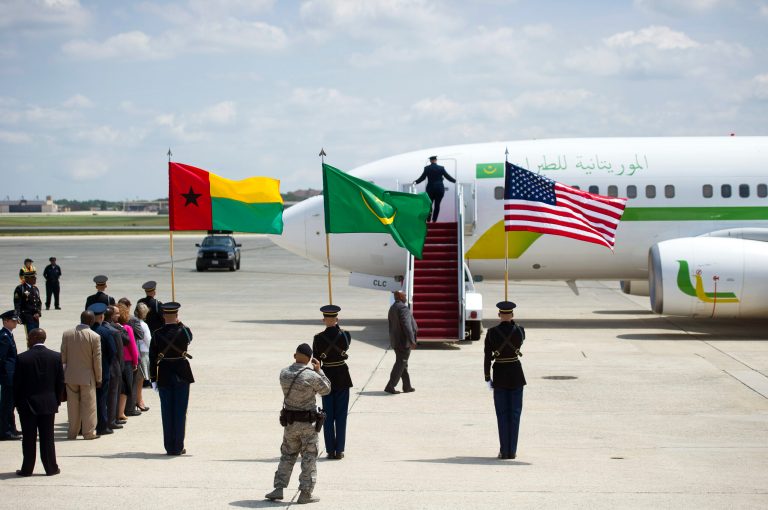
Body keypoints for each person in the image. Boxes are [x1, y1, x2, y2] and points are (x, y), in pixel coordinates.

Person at [266, 343, 331, 504]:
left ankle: (278, 488)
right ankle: (305, 493)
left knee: (287, 455)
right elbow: (327, 389)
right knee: (309, 458)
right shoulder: (311, 375)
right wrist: (319, 370)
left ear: (295, 356)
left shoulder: (284, 373)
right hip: (308, 425)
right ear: (309, 359)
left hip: (290, 424)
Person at [14, 328, 65, 476]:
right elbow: (60, 382)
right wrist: (56, 400)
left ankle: (27, 469)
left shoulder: (22, 358)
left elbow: (17, 384)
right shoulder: (55, 357)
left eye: (29, 337)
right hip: (48, 403)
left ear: (35, 338)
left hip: (27, 404)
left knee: (28, 438)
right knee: (47, 437)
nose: (28, 339)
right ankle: (51, 468)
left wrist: (16, 403)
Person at [149, 302, 194, 456]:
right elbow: (190, 337)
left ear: (163, 316)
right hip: (182, 374)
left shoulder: (157, 334)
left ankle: (169, 447)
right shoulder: (184, 331)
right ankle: (178, 446)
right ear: (176, 316)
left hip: (165, 374)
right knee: (180, 412)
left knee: (167, 412)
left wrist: (153, 378)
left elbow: (152, 358)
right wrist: (180, 322)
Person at [484, 301, 526, 460]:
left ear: (499, 314)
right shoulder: (520, 331)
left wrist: (487, 377)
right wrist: (512, 323)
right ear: (513, 315)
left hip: (500, 374)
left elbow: (487, 357)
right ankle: (512, 451)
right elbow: (519, 339)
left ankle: (504, 450)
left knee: (502, 415)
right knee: (515, 414)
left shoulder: (491, 333)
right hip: (516, 373)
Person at [312, 305, 352, 460]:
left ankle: (330, 449)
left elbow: (316, 361)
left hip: (326, 377)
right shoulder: (345, 335)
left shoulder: (318, 338)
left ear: (323, 320)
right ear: (337, 319)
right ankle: (339, 450)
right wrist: (337, 325)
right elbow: (344, 341)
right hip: (342, 376)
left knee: (327, 415)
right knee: (341, 416)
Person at [60, 311, 102, 440]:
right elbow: (97, 360)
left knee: (72, 406)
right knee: (89, 406)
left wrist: (63, 375)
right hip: (87, 376)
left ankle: (72, 432)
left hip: (71, 375)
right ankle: (88, 432)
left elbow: (63, 357)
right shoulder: (94, 336)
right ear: (91, 321)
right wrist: (99, 378)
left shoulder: (67, 334)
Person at [89, 303, 116, 436]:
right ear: (101, 316)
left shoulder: (86, 331)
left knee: (87, 399)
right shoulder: (105, 331)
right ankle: (102, 426)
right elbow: (112, 351)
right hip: (102, 369)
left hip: (87, 371)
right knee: (101, 399)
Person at [385, 290, 417, 394]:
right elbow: (406, 325)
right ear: (400, 296)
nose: (406, 296)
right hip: (403, 342)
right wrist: (412, 340)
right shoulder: (403, 308)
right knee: (400, 363)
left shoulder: (393, 308)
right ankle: (390, 386)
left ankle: (407, 387)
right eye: (404, 295)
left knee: (403, 363)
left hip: (395, 341)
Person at [103, 306, 127, 431]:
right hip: (113, 368)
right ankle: (112, 420)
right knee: (113, 395)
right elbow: (119, 353)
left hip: (99, 367)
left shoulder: (96, 329)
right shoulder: (114, 331)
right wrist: (121, 368)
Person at [413, 155, 456, 222]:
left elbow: (422, 178)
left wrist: (415, 182)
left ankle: (428, 218)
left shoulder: (427, 168)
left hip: (430, 189)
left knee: (429, 204)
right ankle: (434, 220)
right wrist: (455, 181)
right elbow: (448, 177)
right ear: (436, 160)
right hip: (439, 189)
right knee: (437, 205)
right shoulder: (441, 168)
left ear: (430, 161)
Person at [0, 310, 22, 441]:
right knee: (6, 404)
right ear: (5, 321)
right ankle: (5, 431)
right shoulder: (3, 336)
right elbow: (2, 358)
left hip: (11, 375)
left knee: (10, 403)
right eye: (13, 320)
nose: (15, 322)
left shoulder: (8, 334)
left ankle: (11, 428)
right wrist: (6, 374)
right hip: (7, 376)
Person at [116, 303, 139, 420]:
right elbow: (133, 347)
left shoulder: (112, 327)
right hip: (127, 361)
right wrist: (136, 361)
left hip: (116, 361)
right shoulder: (127, 328)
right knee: (125, 388)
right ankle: (121, 412)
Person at [133, 302, 152, 412]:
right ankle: (139, 401)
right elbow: (148, 340)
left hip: (136, 351)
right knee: (140, 379)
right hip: (143, 353)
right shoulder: (143, 325)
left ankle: (138, 400)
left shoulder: (132, 322)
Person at [13, 271, 42, 338]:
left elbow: (39, 303)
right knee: (30, 337)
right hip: (27, 317)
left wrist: (38, 312)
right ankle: (31, 348)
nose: (35, 279)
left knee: (37, 336)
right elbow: (17, 304)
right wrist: (17, 316)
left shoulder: (35, 288)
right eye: (33, 277)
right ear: (28, 278)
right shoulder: (20, 288)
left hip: (35, 318)